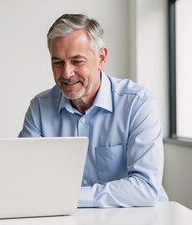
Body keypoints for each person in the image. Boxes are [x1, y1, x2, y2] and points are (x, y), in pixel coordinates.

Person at [18, 13, 168, 207]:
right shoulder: (39, 108)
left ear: (101, 58)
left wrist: (66, 197)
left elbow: (145, 188)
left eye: (77, 61)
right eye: (58, 62)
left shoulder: (138, 104)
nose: (66, 73)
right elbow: (26, 179)